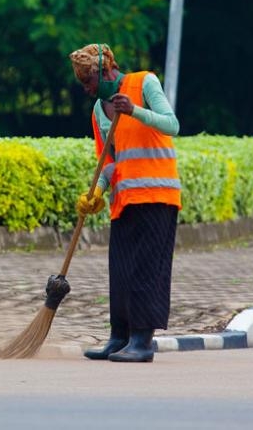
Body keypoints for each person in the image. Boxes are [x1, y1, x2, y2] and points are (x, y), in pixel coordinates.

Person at [70, 43, 181, 363]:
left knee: (146, 271)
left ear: (106, 72)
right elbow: (109, 159)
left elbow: (171, 124)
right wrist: (98, 191)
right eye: (83, 84)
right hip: (125, 199)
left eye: (89, 81)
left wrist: (134, 110)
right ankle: (118, 338)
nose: (87, 89)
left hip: (158, 195)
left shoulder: (144, 83)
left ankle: (142, 343)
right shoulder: (97, 111)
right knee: (120, 272)